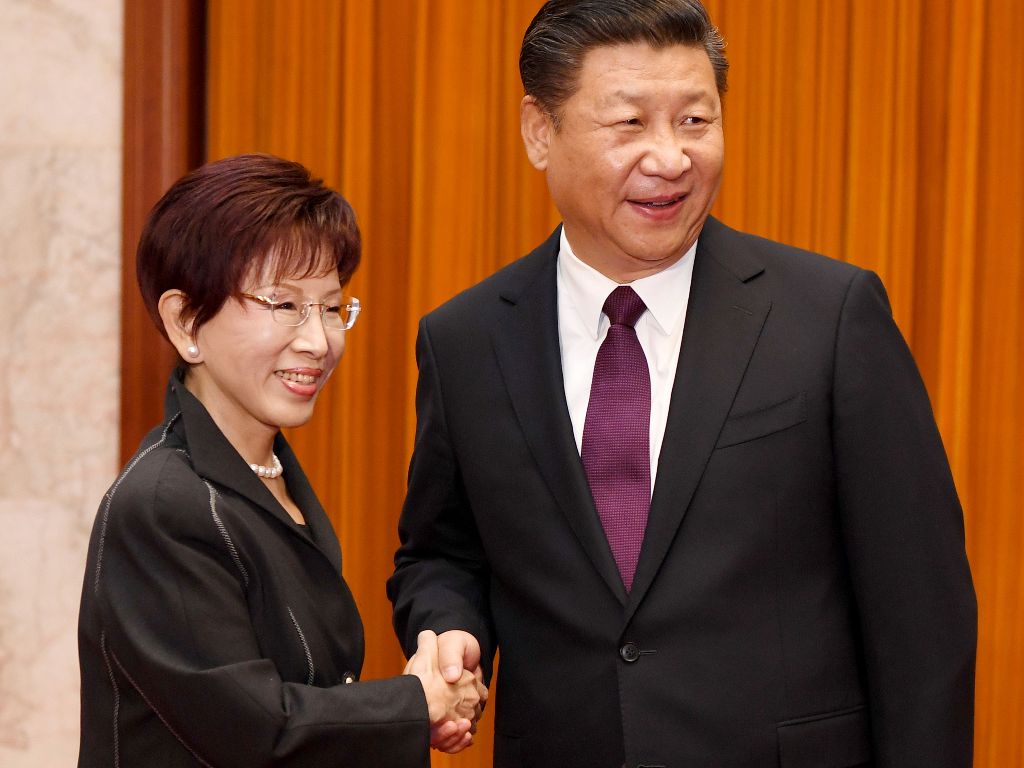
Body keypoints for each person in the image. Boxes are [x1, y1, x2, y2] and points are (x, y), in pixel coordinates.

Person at [387, 1, 977, 766]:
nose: (669, 158)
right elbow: (443, 551)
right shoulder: (467, 339)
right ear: (540, 130)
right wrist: (450, 628)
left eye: (696, 121)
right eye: (630, 124)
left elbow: (921, 613)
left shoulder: (828, 318)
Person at [78, 153, 484, 767]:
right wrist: (415, 703)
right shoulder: (163, 505)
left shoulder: (269, 475)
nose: (318, 341)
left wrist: (424, 699)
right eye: (285, 305)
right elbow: (254, 730)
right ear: (186, 320)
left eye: (330, 306)